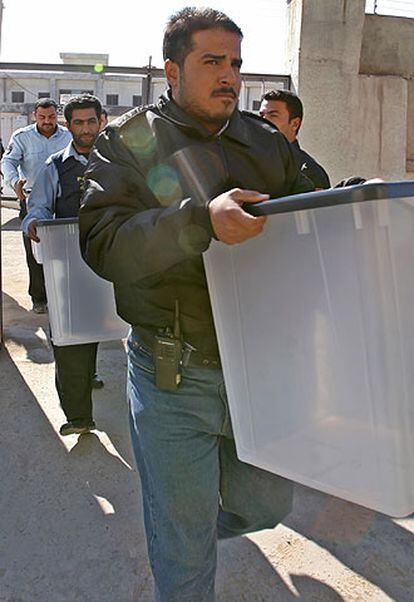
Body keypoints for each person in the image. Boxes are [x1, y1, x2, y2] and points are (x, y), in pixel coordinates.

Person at [79, 7, 314, 600]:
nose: (229, 76)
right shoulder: (128, 140)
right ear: (172, 71)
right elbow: (104, 242)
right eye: (212, 61)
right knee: (184, 566)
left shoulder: (265, 141)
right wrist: (200, 221)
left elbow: (313, 212)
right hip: (171, 376)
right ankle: (179, 537)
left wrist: (355, 204)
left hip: (257, 371)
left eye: (235, 63)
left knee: (265, 506)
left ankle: (181, 527)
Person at [22, 94, 103, 436]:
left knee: (99, 328)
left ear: (102, 121)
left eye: (91, 121)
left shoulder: (119, 162)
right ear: (68, 126)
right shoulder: (54, 166)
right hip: (68, 265)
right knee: (69, 338)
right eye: (78, 123)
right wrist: (34, 224)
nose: (85, 129)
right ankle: (78, 414)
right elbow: (38, 208)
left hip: (108, 264)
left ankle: (89, 375)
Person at [1, 98, 72, 313]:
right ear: (35, 115)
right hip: (31, 200)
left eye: (51, 117)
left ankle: (62, 296)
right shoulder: (23, 137)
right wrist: (14, 182)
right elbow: (8, 161)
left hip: (62, 201)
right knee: (35, 251)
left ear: (57, 115)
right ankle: (39, 298)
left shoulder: (68, 137)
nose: (47, 121)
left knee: (63, 252)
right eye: (42, 117)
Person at [259, 89, 331, 190]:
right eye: (261, 115)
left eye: (273, 115)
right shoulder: (250, 161)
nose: (263, 121)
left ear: (294, 124)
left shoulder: (311, 172)